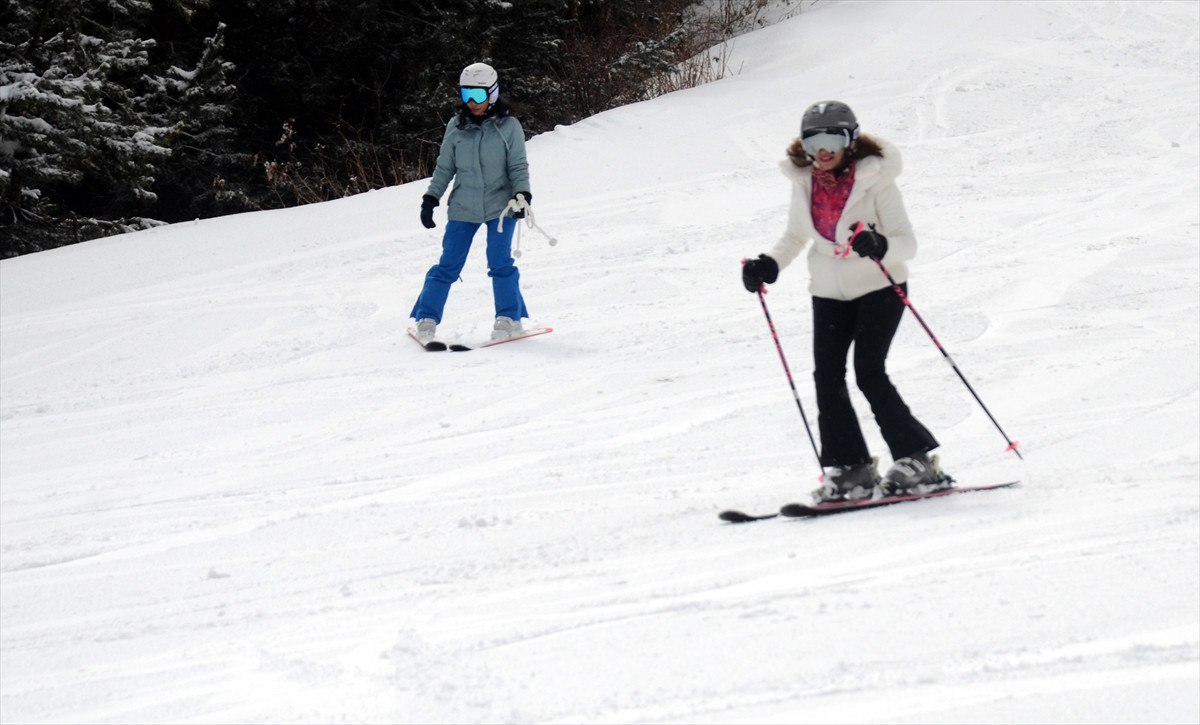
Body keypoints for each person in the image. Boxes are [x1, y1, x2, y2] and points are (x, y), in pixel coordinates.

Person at [741, 100, 953, 503]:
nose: (822, 151)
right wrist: (768, 264)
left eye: (832, 140)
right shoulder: (805, 182)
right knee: (827, 377)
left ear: (851, 141)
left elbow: (907, 243)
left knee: (868, 372)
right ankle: (851, 467)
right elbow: (795, 236)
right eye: (813, 141)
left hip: (879, 287)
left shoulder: (877, 181)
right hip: (828, 291)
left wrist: (880, 244)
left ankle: (917, 459)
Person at [411, 62, 532, 342]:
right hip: (463, 206)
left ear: (492, 93)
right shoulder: (456, 127)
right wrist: (431, 198)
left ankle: (509, 318)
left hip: (501, 206)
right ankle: (426, 317)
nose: (472, 103)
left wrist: (522, 194)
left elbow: (517, 165)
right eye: (466, 95)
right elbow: (444, 167)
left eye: (478, 95)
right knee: (448, 264)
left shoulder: (509, 127)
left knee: (500, 263)